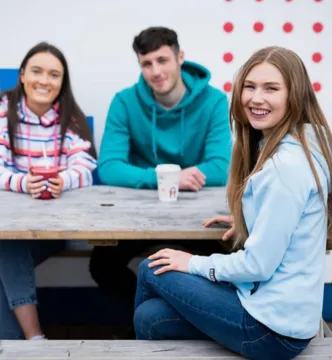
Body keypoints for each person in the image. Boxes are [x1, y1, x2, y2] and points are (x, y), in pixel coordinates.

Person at [132, 46, 332, 360]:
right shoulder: (305, 141)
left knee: (151, 269)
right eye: (250, 86)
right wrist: (256, 219)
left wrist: (191, 263)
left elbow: (257, 265)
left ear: (295, 95)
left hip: (271, 331)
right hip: (281, 315)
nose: (255, 98)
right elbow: (290, 218)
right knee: (149, 316)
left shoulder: (285, 167)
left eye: (271, 88)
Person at [88, 27, 232, 314]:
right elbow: (109, 167)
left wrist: (173, 179)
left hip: (198, 217)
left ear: (180, 57)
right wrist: (167, 178)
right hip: (140, 214)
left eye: (162, 60)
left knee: (230, 258)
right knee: (101, 265)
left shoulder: (214, 100)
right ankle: (151, 316)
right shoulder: (125, 101)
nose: (155, 71)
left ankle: (187, 318)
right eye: (146, 63)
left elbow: (221, 167)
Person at [0, 42, 97, 340]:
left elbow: (84, 168)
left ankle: (23, 345)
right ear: (21, 75)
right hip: (14, 226)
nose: (45, 80)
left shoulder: (70, 118)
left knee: (7, 253)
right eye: (37, 71)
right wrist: (22, 183)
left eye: (54, 74)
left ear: (62, 82)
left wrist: (63, 180)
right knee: (8, 247)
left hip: (59, 230)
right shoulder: (3, 114)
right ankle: (34, 342)